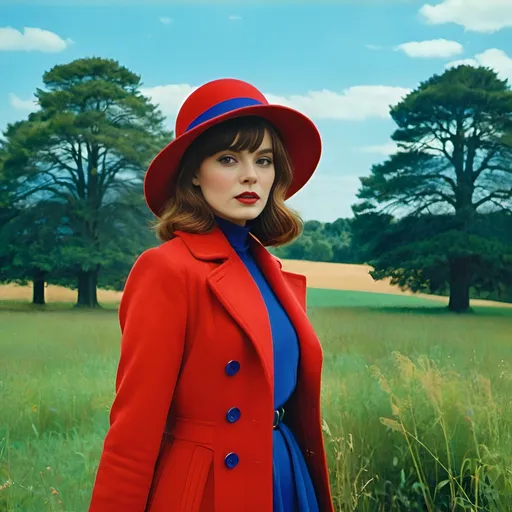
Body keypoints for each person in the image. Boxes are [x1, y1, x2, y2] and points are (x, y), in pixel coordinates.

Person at [88, 78, 334, 512]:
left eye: (264, 160)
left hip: (285, 474)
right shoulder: (166, 269)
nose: (250, 175)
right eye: (227, 158)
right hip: (210, 490)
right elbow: (134, 430)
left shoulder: (270, 272)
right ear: (194, 176)